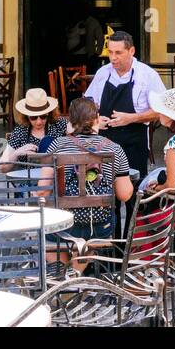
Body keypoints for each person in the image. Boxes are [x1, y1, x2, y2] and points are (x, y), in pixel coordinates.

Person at [40, 97, 132, 244]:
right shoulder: (115, 148)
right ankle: (77, 265)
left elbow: (42, 191)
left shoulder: (57, 145)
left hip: (64, 226)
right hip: (100, 227)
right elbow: (125, 195)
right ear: (97, 119)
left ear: (70, 121)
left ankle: (68, 266)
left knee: (50, 244)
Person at [83, 30, 166, 177]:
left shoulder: (148, 75)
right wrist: (94, 118)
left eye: (118, 53)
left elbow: (161, 110)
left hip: (134, 143)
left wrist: (131, 118)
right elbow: (87, 103)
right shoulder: (103, 73)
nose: (113, 58)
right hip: (103, 142)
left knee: (133, 188)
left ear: (131, 51)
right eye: (110, 52)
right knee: (104, 189)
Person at [0, 88, 68, 171]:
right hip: (30, 179)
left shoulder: (59, 124)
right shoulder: (20, 131)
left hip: (57, 177)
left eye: (43, 116)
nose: (39, 122)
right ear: (26, 116)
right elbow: (2, 168)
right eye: (33, 118)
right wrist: (17, 153)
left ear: (49, 113)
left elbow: (79, 140)